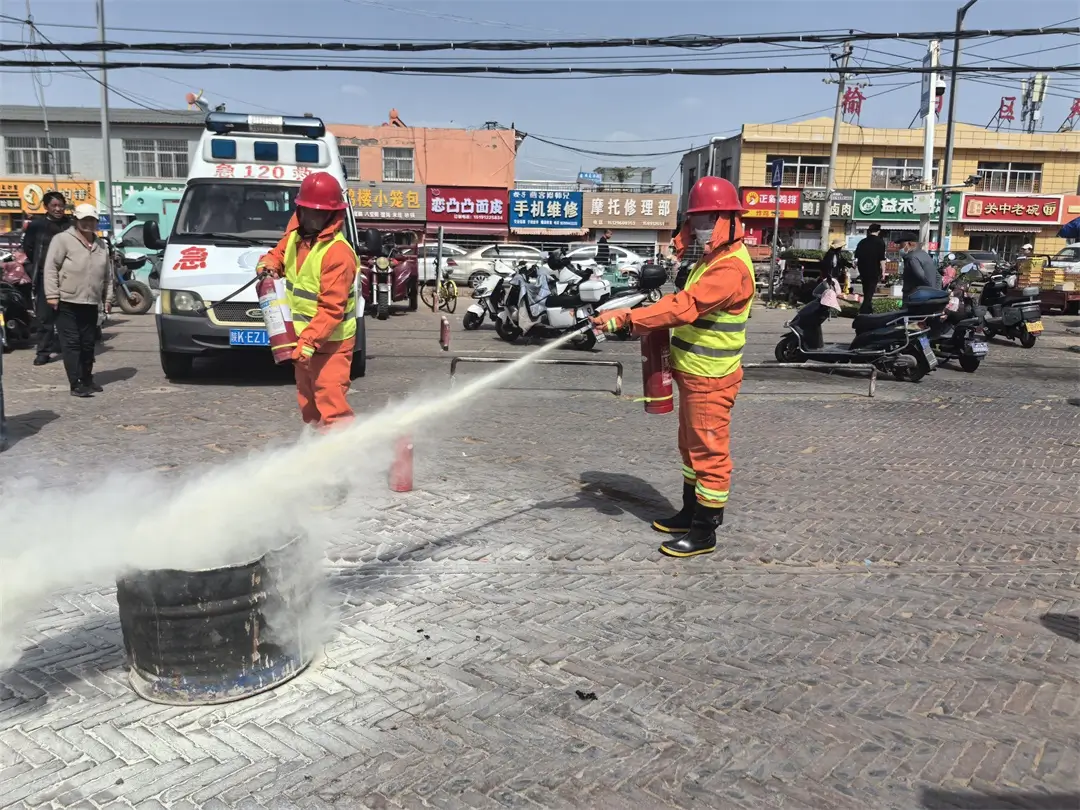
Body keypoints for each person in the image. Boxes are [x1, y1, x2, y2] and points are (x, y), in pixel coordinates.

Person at [592, 177, 755, 559]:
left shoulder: (730, 269)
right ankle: (689, 512)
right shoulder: (712, 258)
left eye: (709, 217)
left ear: (729, 219)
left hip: (711, 379)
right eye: (696, 218)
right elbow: (682, 302)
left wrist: (627, 319)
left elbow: (685, 307)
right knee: (690, 447)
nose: (700, 226)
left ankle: (704, 532)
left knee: (709, 451)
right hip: (694, 373)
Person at [255, 172, 358, 429]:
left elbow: (332, 309)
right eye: (307, 211)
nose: (311, 219)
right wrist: (267, 266)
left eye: (318, 214)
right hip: (303, 340)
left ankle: (345, 461)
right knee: (308, 403)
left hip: (331, 343)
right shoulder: (294, 238)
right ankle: (313, 448)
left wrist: (308, 343)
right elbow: (275, 256)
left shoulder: (338, 253)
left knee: (332, 405)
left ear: (332, 216)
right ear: (299, 210)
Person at [43, 203, 113, 397]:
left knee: (88, 343)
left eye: (92, 220)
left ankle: (87, 379)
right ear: (76, 220)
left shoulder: (100, 245)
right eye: (84, 220)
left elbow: (108, 274)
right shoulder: (62, 240)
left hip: (90, 302)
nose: (88, 223)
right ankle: (75, 384)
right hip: (66, 300)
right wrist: (52, 295)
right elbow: (51, 268)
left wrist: (108, 298)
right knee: (72, 344)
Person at [21, 191, 70, 365]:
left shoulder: (70, 225)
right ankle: (43, 351)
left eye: (61, 205)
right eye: (54, 206)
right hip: (44, 275)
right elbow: (28, 248)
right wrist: (41, 265)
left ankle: (68, 348)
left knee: (67, 315)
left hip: (68, 276)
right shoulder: (37, 225)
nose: (58, 209)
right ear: (46, 207)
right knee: (45, 316)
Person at [853, 223, 887, 314]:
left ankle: (868, 308)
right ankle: (864, 309)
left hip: (863, 268)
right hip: (874, 269)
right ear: (878, 231)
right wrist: (883, 271)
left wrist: (856, 265)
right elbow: (881, 258)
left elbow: (856, 256)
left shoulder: (862, 242)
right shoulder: (880, 242)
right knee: (871, 289)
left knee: (866, 288)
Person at [897, 232, 940, 299]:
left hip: (915, 297)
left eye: (901, 245)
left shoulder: (911, 258)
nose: (899, 248)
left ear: (909, 244)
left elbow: (921, 277)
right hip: (928, 296)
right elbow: (938, 276)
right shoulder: (925, 255)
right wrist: (935, 292)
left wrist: (925, 291)